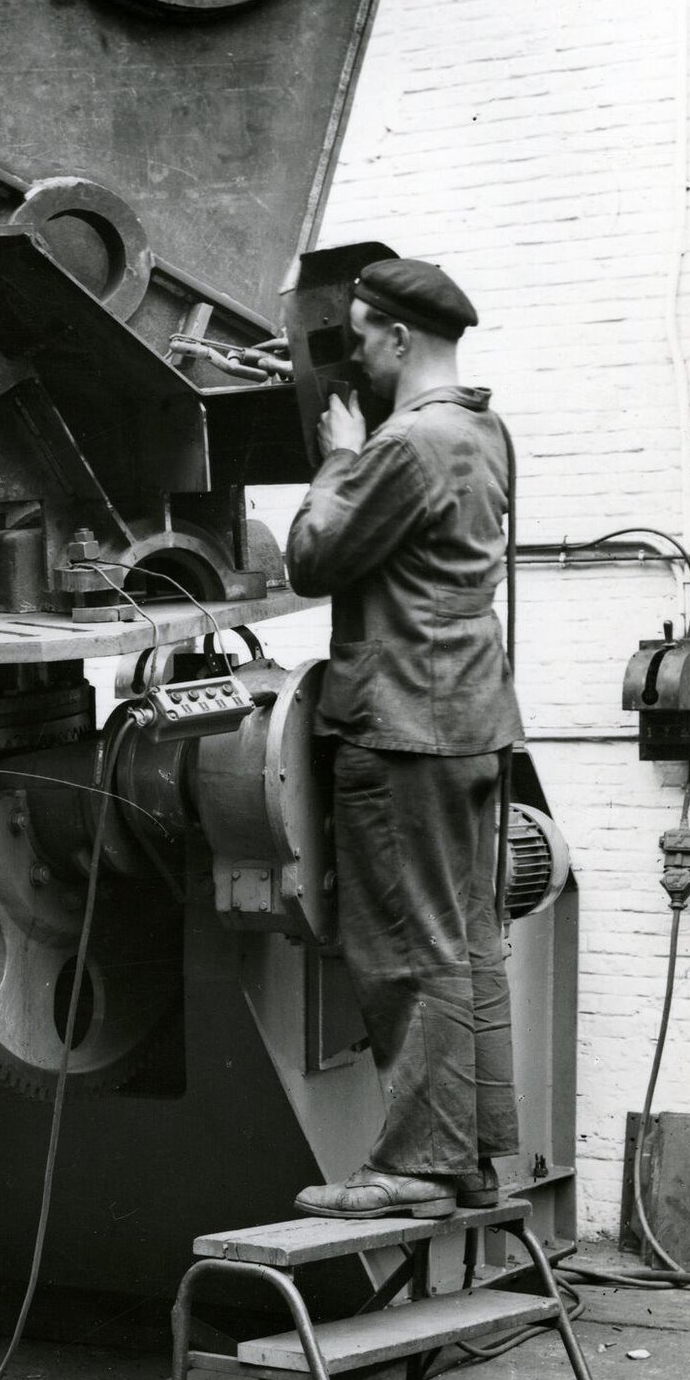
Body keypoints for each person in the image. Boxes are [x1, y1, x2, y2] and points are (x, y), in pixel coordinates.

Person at [285, 255, 523, 1221]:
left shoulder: (402, 446)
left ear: (397, 338)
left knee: (403, 945)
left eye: (358, 335)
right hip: (472, 718)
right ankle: (471, 1154)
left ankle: (418, 1164)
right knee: (470, 941)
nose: (354, 355)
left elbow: (310, 558)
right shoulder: (485, 429)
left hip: (403, 729)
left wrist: (340, 453)